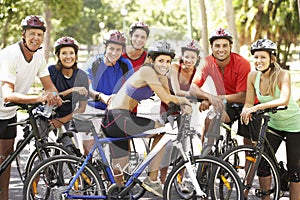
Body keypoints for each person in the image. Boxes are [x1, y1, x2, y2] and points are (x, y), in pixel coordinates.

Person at [101, 40, 190, 197]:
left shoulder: (160, 76)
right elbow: (165, 96)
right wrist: (186, 102)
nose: (165, 64)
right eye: (161, 60)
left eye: (168, 61)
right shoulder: (147, 71)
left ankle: (121, 192)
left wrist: (179, 104)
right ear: (151, 60)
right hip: (117, 118)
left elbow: (170, 97)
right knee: (161, 133)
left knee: (120, 181)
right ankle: (152, 179)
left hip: (120, 118)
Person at [0, 15, 62, 200]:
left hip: (8, 113)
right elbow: (8, 94)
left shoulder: (38, 58)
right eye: (32, 33)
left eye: (39, 34)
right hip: (4, 105)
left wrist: (54, 96)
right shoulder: (10, 55)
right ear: (23, 34)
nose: (36, 38)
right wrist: (39, 98)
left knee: (5, 158)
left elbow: (49, 86)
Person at [240, 38, 300, 200]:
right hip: (274, 125)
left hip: (295, 126)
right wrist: (246, 110)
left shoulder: (283, 75)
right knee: (263, 164)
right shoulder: (253, 76)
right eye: (256, 57)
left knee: (295, 171)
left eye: (263, 57)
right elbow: (248, 102)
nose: (258, 61)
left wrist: (257, 107)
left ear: (272, 59)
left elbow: (284, 100)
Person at [190, 27, 257, 146]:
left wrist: (214, 99)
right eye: (217, 46)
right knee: (210, 119)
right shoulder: (206, 63)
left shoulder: (242, 64)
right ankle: (206, 161)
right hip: (227, 103)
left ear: (231, 46)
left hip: (248, 104)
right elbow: (192, 87)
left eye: (225, 45)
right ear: (211, 47)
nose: (221, 49)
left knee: (248, 140)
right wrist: (210, 98)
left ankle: (250, 165)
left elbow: (243, 96)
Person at [82, 30, 134, 155]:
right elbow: (86, 88)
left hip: (113, 110)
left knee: (117, 148)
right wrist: (101, 96)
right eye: (111, 48)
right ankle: (88, 172)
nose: (114, 53)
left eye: (118, 50)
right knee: (89, 149)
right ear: (105, 47)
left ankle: (110, 174)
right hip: (93, 107)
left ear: (122, 51)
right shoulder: (94, 63)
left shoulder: (125, 65)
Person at [159, 40, 201, 185]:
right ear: (181, 56)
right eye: (186, 57)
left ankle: (179, 180)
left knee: (184, 145)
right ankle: (162, 180)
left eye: (193, 58)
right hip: (169, 108)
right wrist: (197, 95)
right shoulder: (174, 68)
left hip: (186, 109)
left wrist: (205, 98)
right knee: (169, 144)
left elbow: (203, 90)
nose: (189, 60)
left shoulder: (196, 72)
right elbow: (177, 91)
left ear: (197, 59)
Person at [48, 36, 89, 148]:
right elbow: (52, 96)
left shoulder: (81, 76)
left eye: (71, 53)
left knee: (71, 150)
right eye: (64, 53)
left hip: (67, 117)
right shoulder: (52, 71)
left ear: (76, 56)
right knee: (42, 149)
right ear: (58, 56)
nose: (68, 56)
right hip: (47, 115)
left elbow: (82, 108)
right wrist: (72, 90)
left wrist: (61, 121)